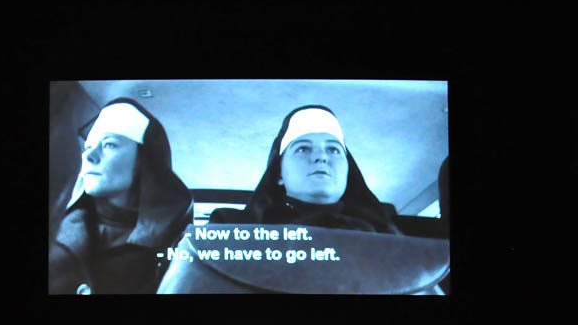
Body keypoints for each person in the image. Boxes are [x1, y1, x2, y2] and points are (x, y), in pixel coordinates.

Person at [49, 98, 193, 294]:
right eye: (88, 147)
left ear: (144, 159)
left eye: (109, 145)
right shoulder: (55, 230)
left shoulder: (182, 246)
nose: (89, 156)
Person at [210, 105, 400, 234]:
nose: (321, 157)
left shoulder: (389, 236)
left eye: (333, 149)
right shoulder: (228, 228)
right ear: (279, 174)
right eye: (303, 149)